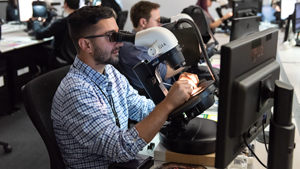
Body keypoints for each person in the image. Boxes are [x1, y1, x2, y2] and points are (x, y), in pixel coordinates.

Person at [51, 5, 197, 169]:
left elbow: (139, 107)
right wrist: (168, 104)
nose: (120, 42)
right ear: (86, 45)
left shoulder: (110, 71)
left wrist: (181, 100)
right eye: (110, 36)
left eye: (118, 33)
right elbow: (120, 149)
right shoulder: (76, 91)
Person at [118, 1, 185, 91]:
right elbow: (165, 74)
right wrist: (192, 55)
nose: (160, 24)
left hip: (171, 86)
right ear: (143, 22)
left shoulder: (148, 42)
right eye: (157, 21)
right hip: (160, 96)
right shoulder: (134, 48)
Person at [31, 0, 79, 67]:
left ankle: (35, 72)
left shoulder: (62, 22)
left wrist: (36, 21)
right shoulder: (83, 21)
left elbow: (39, 34)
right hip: (76, 58)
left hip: (61, 59)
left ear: (65, 4)